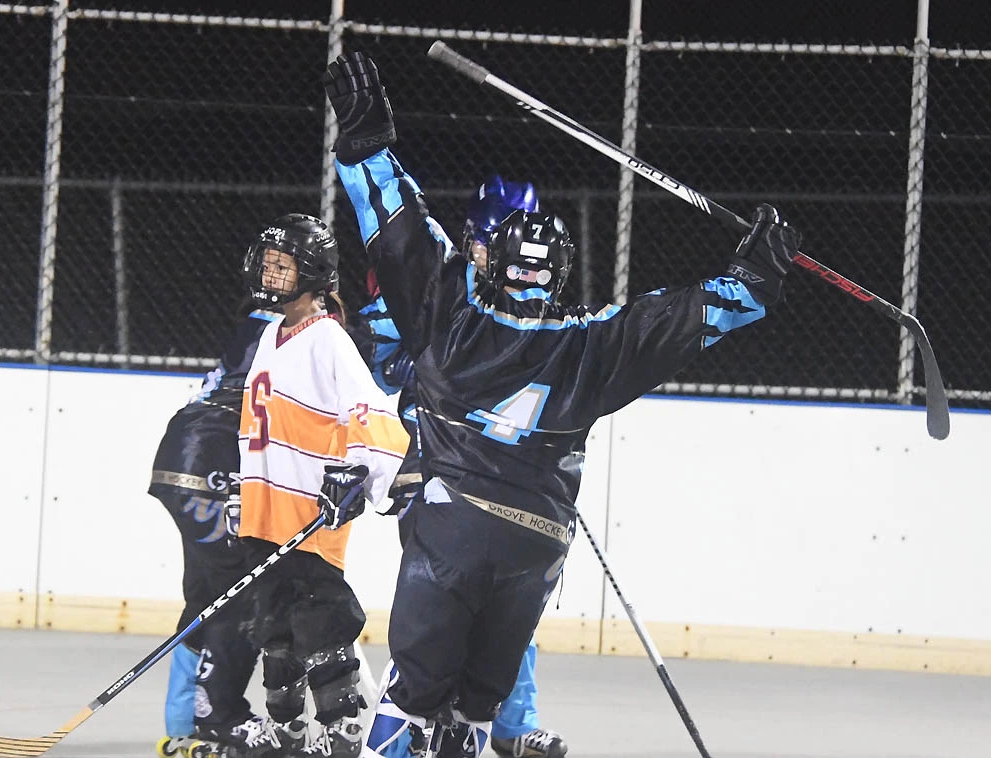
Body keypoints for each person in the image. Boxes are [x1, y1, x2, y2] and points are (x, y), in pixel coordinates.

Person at [323, 52, 800, 758]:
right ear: (562, 270)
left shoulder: (453, 317)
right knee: (478, 709)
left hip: (451, 525)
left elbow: (402, 234)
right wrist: (754, 277)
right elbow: (683, 317)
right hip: (536, 542)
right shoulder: (592, 344)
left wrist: (367, 145)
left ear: (489, 254)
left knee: (415, 692)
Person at [348, 175, 568, 758]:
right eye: (489, 240)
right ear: (473, 236)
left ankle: (508, 725)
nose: (500, 255)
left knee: (508, 602)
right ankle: (416, 722)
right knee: (438, 614)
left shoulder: (532, 306)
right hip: (438, 473)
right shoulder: (440, 285)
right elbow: (382, 365)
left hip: (506, 476)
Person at [218, 213, 410, 758]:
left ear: (315, 274)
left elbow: (368, 411)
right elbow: (259, 424)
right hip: (264, 514)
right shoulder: (269, 335)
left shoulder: (328, 338)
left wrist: (358, 473)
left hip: (308, 516)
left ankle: (342, 737)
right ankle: (288, 737)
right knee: (275, 638)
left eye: (284, 267)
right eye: (269, 264)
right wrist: (242, 488)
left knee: (321, 633)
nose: (271, 274)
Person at [149, 304, 277, 758]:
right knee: (241, 589)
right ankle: (219, 717)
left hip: (189, 459)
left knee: (207, 596)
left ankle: (181, 729)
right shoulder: (288, 328)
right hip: (207, 466)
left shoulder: (262, 321)